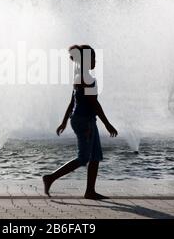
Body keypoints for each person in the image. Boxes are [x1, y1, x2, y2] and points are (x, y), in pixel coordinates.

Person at [43, 45, 118, 200]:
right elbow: (94, 104)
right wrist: (107, 124)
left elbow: (72, 102)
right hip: (84, 121)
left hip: (86, 119)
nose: (95, 61)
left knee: (95, 156)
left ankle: (90, 191)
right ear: (86, 60)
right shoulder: (86, 78)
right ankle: (50, 178)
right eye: (93, 58)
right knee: (84, 158)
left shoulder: (80, 76)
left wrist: (64, 122)